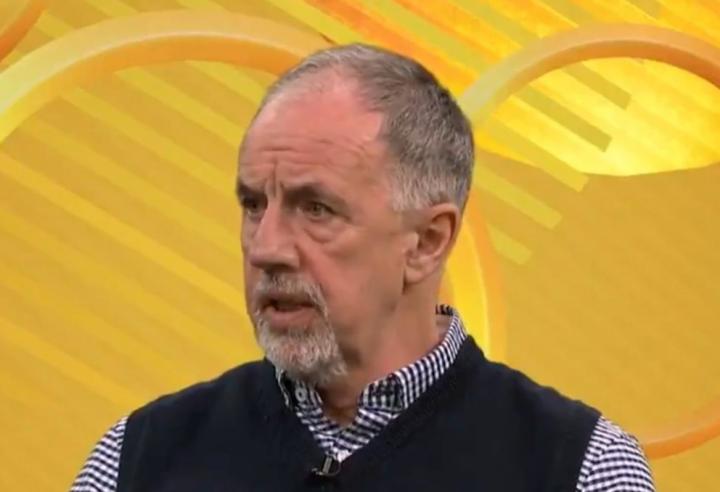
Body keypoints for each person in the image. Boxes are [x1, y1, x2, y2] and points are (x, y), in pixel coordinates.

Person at [70, 44, 654, 491]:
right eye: (253, 205)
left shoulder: (582, 469)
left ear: (427, 242)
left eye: (316, 209)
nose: (266, 247)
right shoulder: (135, 460)